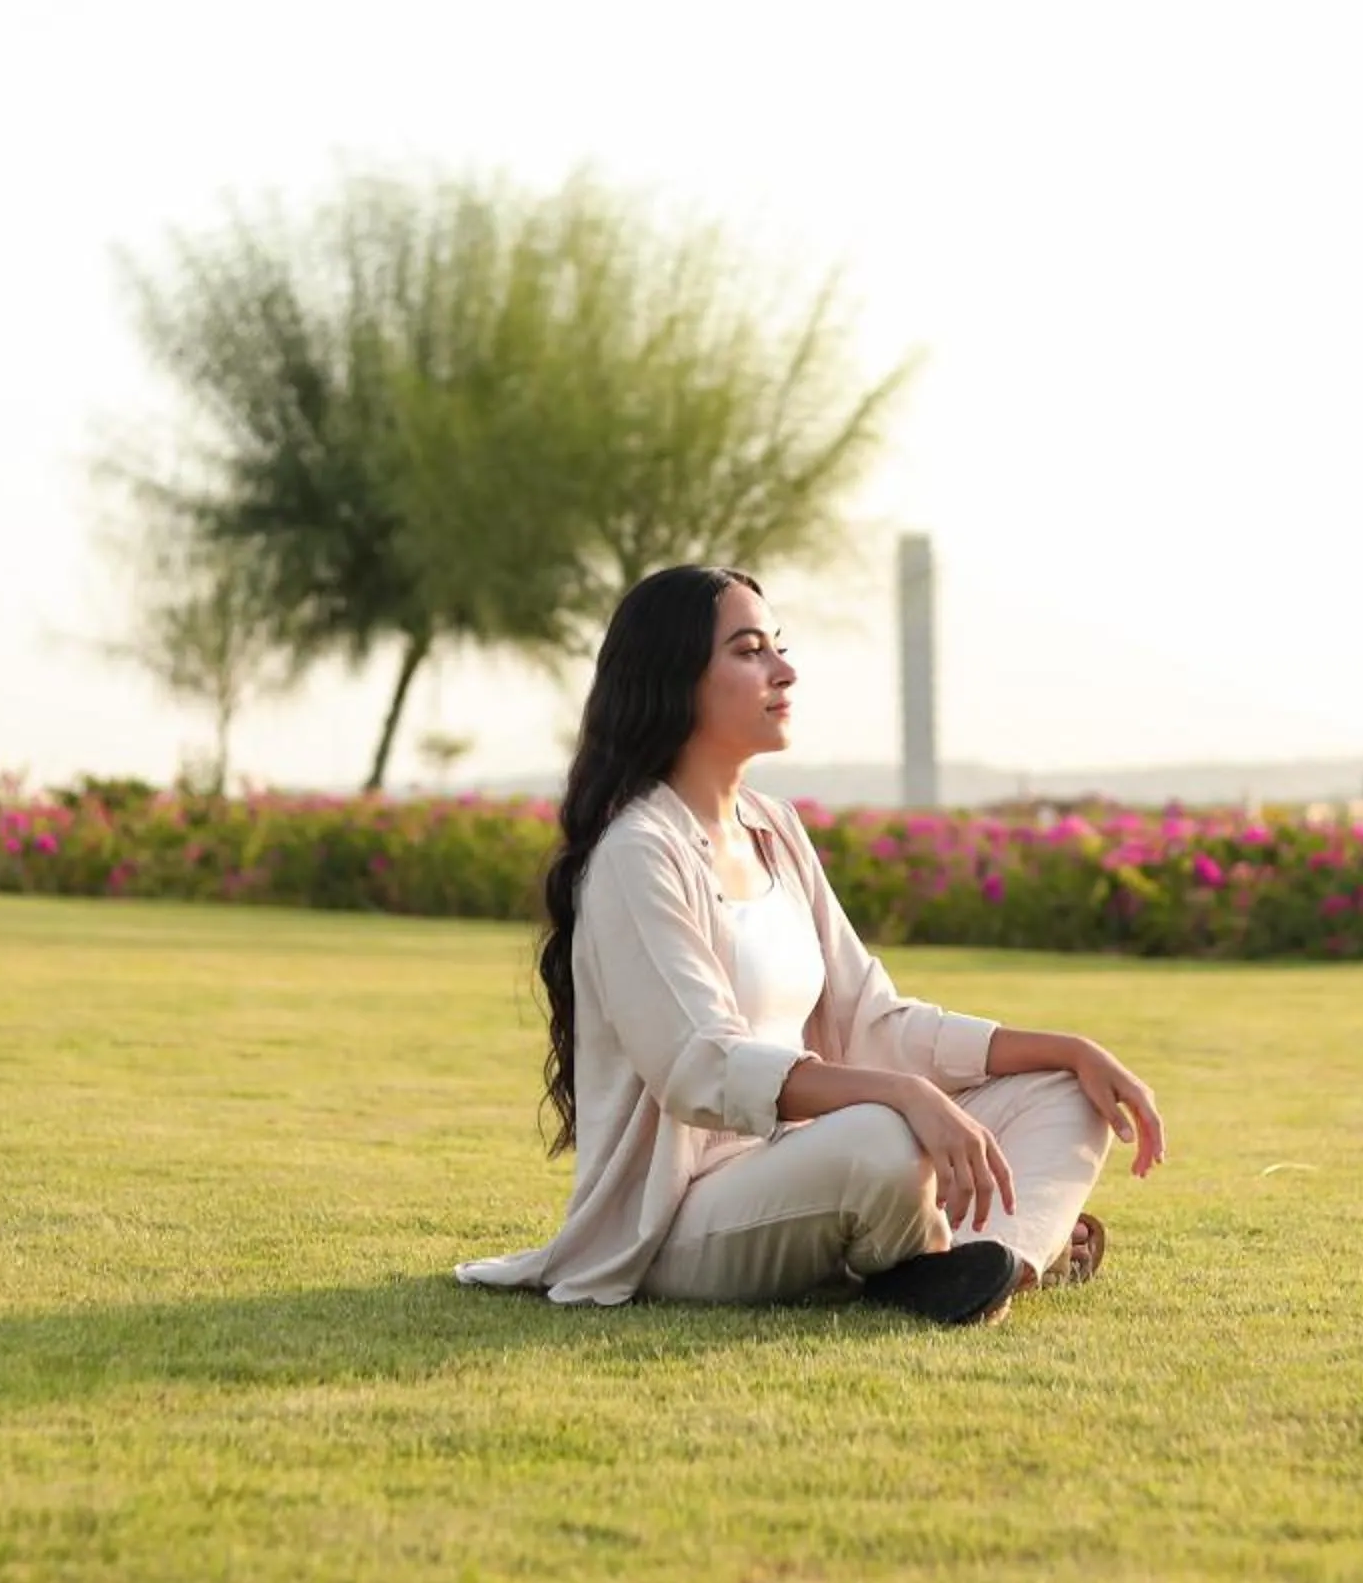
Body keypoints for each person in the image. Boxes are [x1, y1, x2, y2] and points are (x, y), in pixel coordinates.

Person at [457, 565, 1166, 1326]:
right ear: (676, 679)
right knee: (882, 1138)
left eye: (778, 648)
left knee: (1063, 1090)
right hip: (687, 1217)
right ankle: (973, 1250)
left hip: (808, 1166)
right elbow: (700, 1064)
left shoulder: (775, 830)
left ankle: (997, 1269)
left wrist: (1064, 1047)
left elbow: (875, 1020)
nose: (784, 670)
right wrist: (901, 1094)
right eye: (749, 650)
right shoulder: (639, 851)